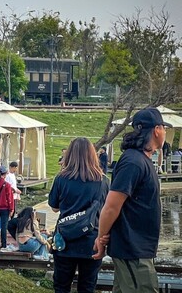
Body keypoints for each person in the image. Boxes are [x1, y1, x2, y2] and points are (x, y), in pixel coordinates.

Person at [93, 108, 171, 292]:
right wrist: (101, 238)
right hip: (133, 250)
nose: (165, 132)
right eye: (164, 128)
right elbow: (111, 206)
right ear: (157, 130)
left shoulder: (141, 160)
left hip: (138, 248)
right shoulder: (132, 162)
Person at [48, 137, 109, 293]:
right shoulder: (103, 181)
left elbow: (54, 207)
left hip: (64, 240)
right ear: (93, 154)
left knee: (61, 286)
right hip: (92, 240)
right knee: (87, 286)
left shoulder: (61, 178)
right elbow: (106, 211)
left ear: (70, 155)